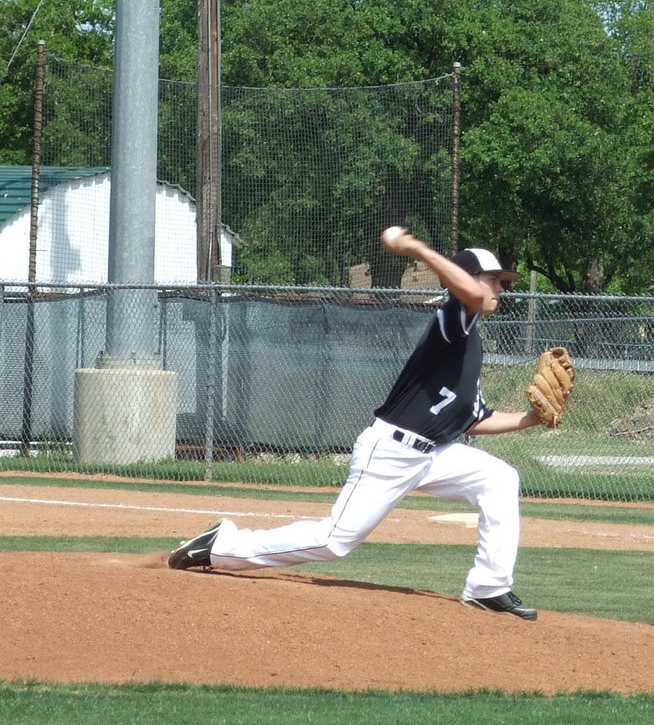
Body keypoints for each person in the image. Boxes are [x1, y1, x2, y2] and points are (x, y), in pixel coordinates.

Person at [168, 226, 545, 620]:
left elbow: (473, 420)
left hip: (435, 453)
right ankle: (222, 546)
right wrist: (417, 249)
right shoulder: (454, 318)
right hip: (393, 450)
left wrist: (532, 418)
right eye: (493, 280)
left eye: (502, 282)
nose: (500, 289)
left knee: (500, 479)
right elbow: (468, 294)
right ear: (466, 281)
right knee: (334, 541)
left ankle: (489, 587)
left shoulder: (472, 343)